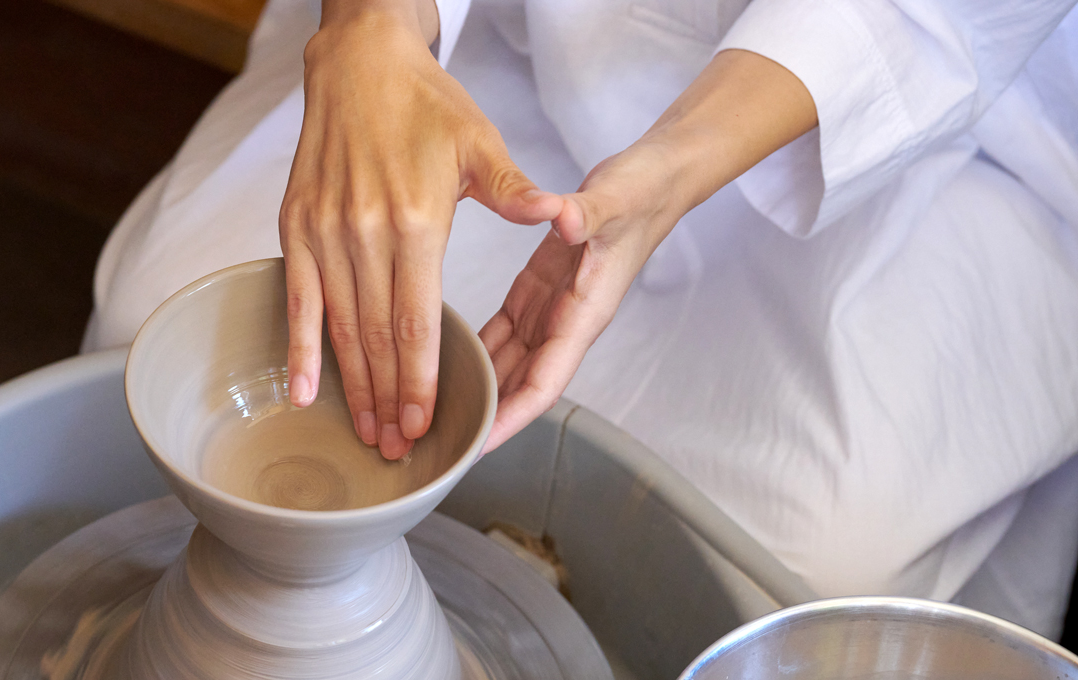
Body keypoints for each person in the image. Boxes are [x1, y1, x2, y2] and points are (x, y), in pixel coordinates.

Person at [85, 0, 1078, 638]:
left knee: (784, 578)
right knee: (145, 341)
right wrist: (371, 34)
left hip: (902, 140)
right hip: (477, 47)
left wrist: (668, 173)